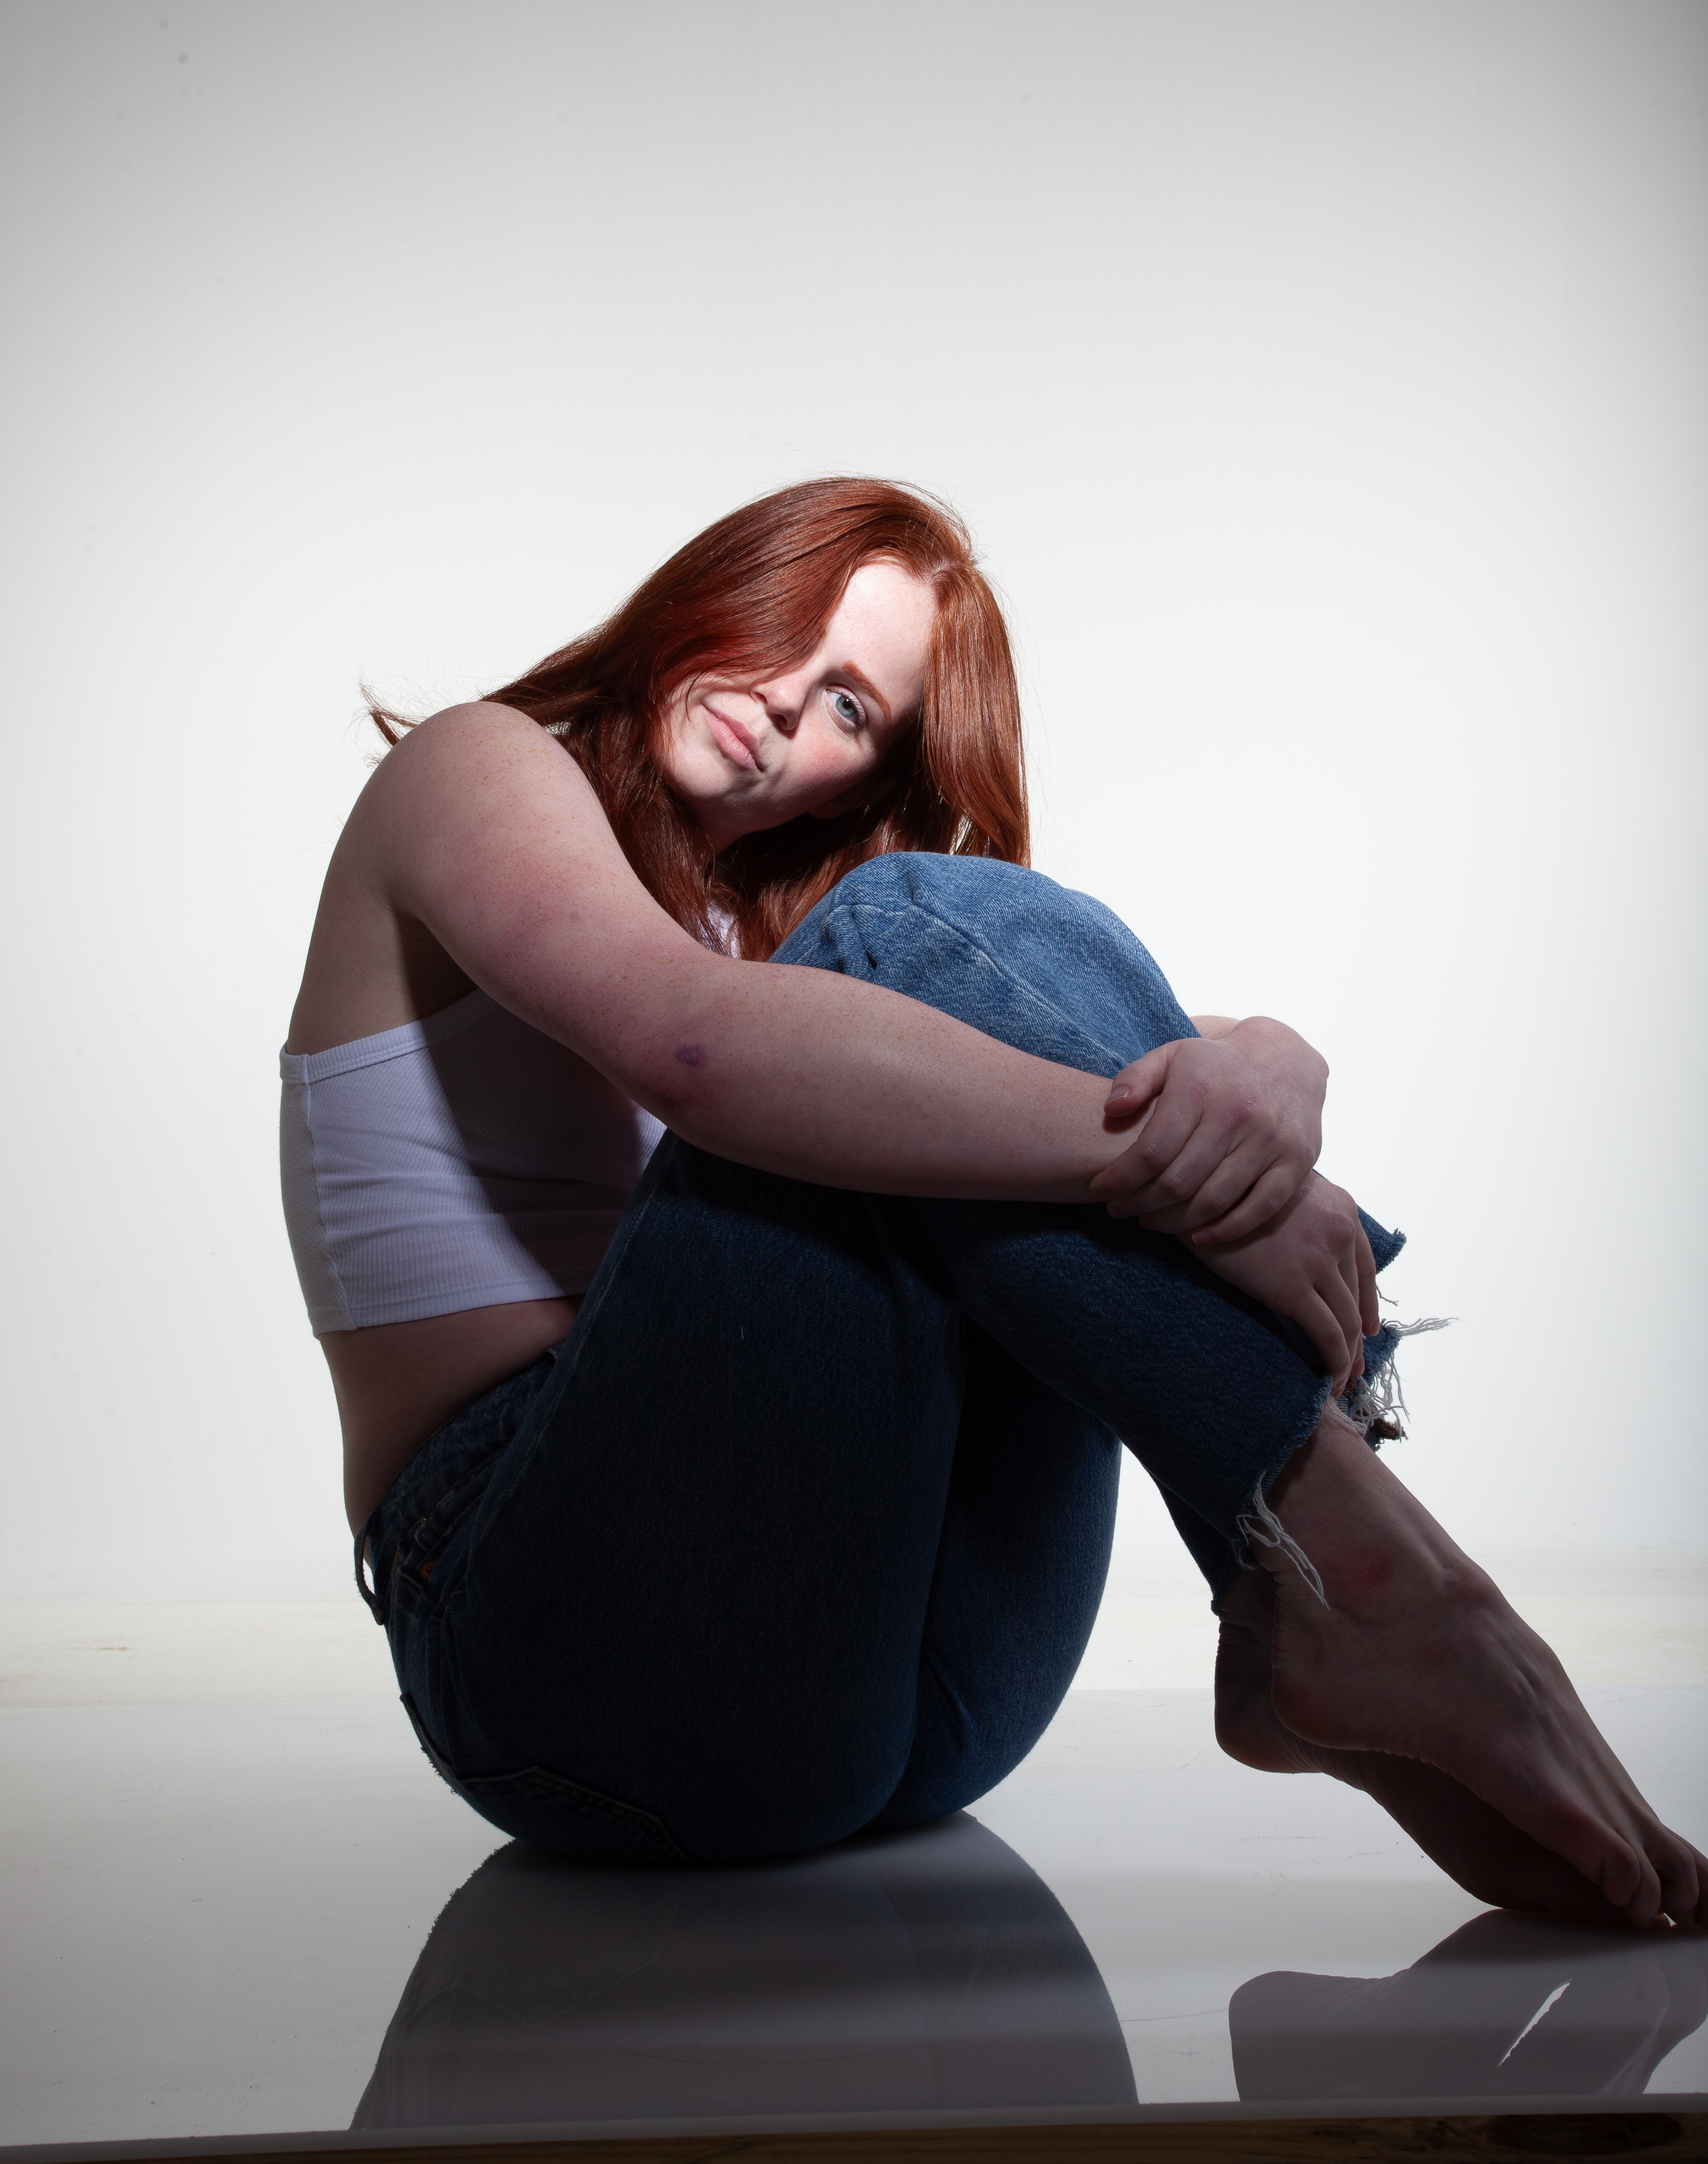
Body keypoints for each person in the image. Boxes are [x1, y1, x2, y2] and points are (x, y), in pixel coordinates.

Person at [282, 478, 1704, 1929]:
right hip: (561, 1663)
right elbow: (684, 1044)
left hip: (928, 1696)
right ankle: (1358, 1569)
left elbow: (1130, 1062)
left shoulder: (791, 924)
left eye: (849, 710)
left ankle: (1334, 1590)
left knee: (966, 950)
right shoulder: (482, 767)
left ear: (859, 771)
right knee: (913, 941)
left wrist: (1276, 1062)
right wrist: (1153, 1167)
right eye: (783, 634)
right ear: (710, 586)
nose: (783, 707)